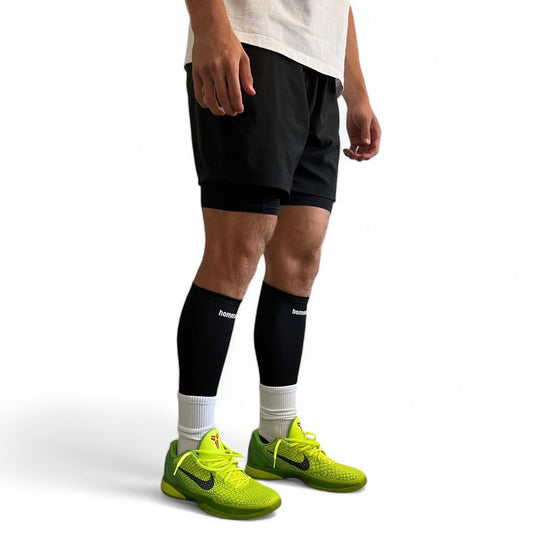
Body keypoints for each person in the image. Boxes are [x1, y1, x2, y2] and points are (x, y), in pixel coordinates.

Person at [160, 0, 381, 520]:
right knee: (237, 250)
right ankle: (191, 449)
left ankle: (276, 437)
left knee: (301, 260)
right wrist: (211, 28)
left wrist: (356, 92)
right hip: (252, 43)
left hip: (319, 67)